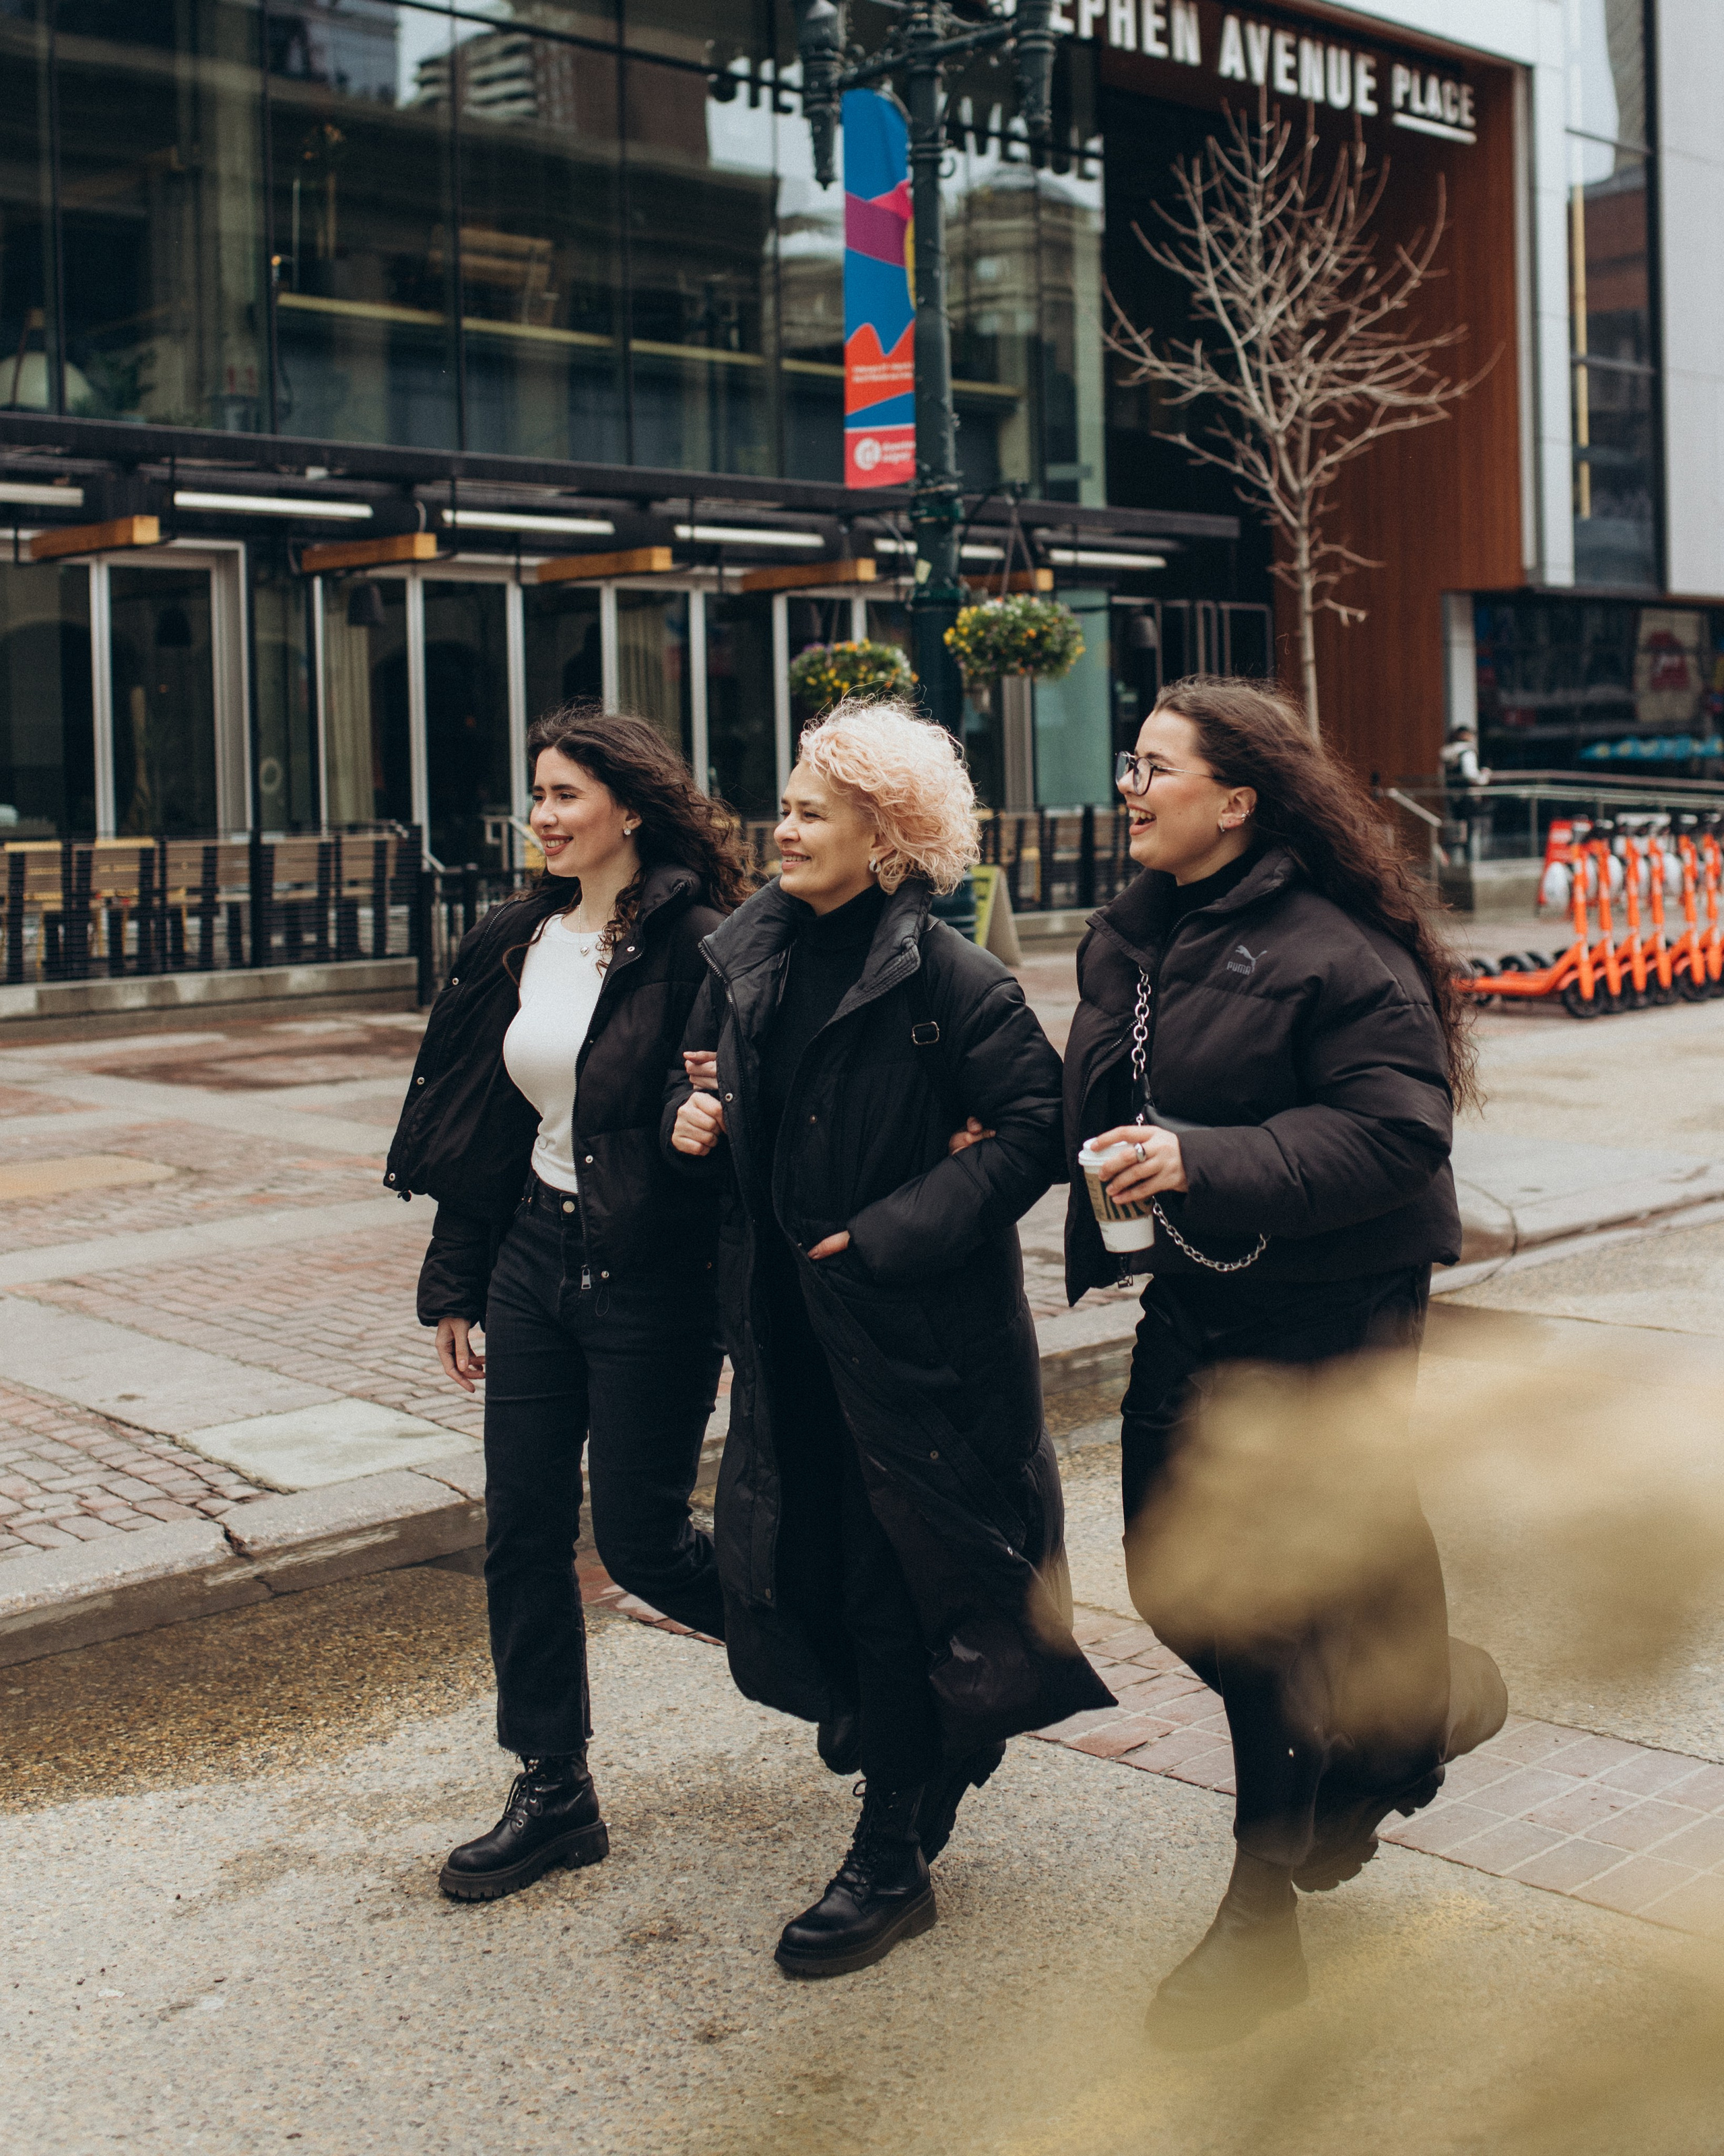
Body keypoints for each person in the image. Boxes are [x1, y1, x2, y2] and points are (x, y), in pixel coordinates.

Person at [1063, 676, 1506, 2048]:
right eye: (1127, 764)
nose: (1127, 786)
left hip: (1328, 1309)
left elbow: (1394, 1134)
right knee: (1168, 1575)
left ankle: (1260, 1914)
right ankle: (1408, 1717)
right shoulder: (1133, 934)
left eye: (1154, 768)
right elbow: (1086, 1093)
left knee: (1268, 1590)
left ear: (1237, 800)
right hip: (1191, 1299)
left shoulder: (1333, 951)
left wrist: (1203, 1155)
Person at [666, 696, 1112, 1981]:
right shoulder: (746, 955)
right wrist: (690, 1129)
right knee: (807, 1557)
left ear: (889, 833)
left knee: (892, 1575)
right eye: (789, 802)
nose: (781, 825)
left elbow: (1034, 1126)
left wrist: (893, 1230)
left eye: (812, 809)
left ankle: (890, 1857)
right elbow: (700, 1096)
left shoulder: (953, 983)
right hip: (789, 1335)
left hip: (914, 1338)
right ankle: (919, 1750)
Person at [385, 707, 753, 1903]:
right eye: (535, 795)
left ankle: (837, 1661)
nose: (542, 816)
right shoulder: (518, 937)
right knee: (522, 1528)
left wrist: (699, 1131)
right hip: (534, 1257)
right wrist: (458, 1277)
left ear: (629, 807)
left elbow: (727, 1124)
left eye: (564, 795)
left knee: (644, 1540)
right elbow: (488, 1128)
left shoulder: (702, 941)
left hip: (649, 1272)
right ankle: (554, 1789)